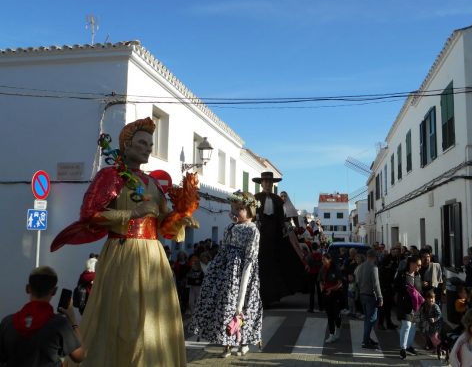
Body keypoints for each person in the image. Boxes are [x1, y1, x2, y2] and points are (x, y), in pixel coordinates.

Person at [50, 118, 186, 367]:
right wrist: (131, 214)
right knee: (125, 319)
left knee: (155, 321)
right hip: (124, 252)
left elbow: (163, 224)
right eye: (142, 143)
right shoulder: (109, 176)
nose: (148, 148)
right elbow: (90, 214)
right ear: (126, 145)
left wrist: (180, 218)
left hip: (154, 256)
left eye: (150, 144)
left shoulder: (153, 183)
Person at [190, 191, 262, 358]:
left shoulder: (253, 231)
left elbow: (250, 260)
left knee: (243, 308)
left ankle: (244, 342)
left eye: (240, 209)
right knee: (225, 307)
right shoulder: (229, 227)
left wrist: (242, 294)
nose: (235, 212)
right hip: (226, 275)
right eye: (233, 208)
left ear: (250, 210)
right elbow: (222, 252)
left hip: (243, 275)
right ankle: (227, 343)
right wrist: (212, 273)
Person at [0, 266, 84, 366]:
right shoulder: (60, 324)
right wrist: (73, 320)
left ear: (27, 288)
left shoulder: (7, 322)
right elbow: (79, 356)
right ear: (54, 291)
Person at [254, 171, 305, 305]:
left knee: (282, 261)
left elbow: (282, 219)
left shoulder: (277, 200)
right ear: (261, 183)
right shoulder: (255, 198)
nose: (267, 184)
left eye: (270, 182)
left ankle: (272, 296)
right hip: (260, 236)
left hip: (275, 237)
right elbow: (253, 216)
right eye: (265, 181)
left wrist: (287, 232)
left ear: (272, 184)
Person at [395, 255, 423, 360]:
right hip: (404, 304)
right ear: (411, 264)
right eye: (418, 265)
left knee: (413, 327)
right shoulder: (402, 274)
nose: (420, 267)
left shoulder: (418, 275)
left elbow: (419, 290)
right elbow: (396, 287)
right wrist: (406, 290)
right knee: (406, 325)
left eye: (420, 265)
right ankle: (402, 348)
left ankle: (409, 346)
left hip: (415, 305)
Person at [355, 249, 383, 349]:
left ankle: (367, 338)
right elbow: (376, 284)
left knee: (368, 318)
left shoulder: (360, 266)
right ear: (374, 257)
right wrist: (380, 296)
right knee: (371, 319)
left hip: (362, 295)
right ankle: (365, 341)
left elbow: (357, 280)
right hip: (370, 295)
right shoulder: (373, 267)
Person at [319, 253, 343, 343]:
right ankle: (331, 334)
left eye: (324, 259)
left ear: (329, 260)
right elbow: (320, 280)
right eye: (322, 260)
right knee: (329, 314)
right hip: (326, 294)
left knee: (336, 314)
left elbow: (340, 283)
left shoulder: (336, 268)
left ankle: (338, 326)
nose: (323, 261)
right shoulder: (322, 269)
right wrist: (321, 286)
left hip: (335, 294)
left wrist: (331, 289)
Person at [304, 242, 323, 313]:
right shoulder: (320, 255)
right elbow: (322, 264)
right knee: (319, 291)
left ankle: (311, 308)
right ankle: (321, 307)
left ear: (311, 248)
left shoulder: (309, 256)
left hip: (311, 274)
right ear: (317, 247)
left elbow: (307, 264)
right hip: (318, 274)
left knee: (311, 292)